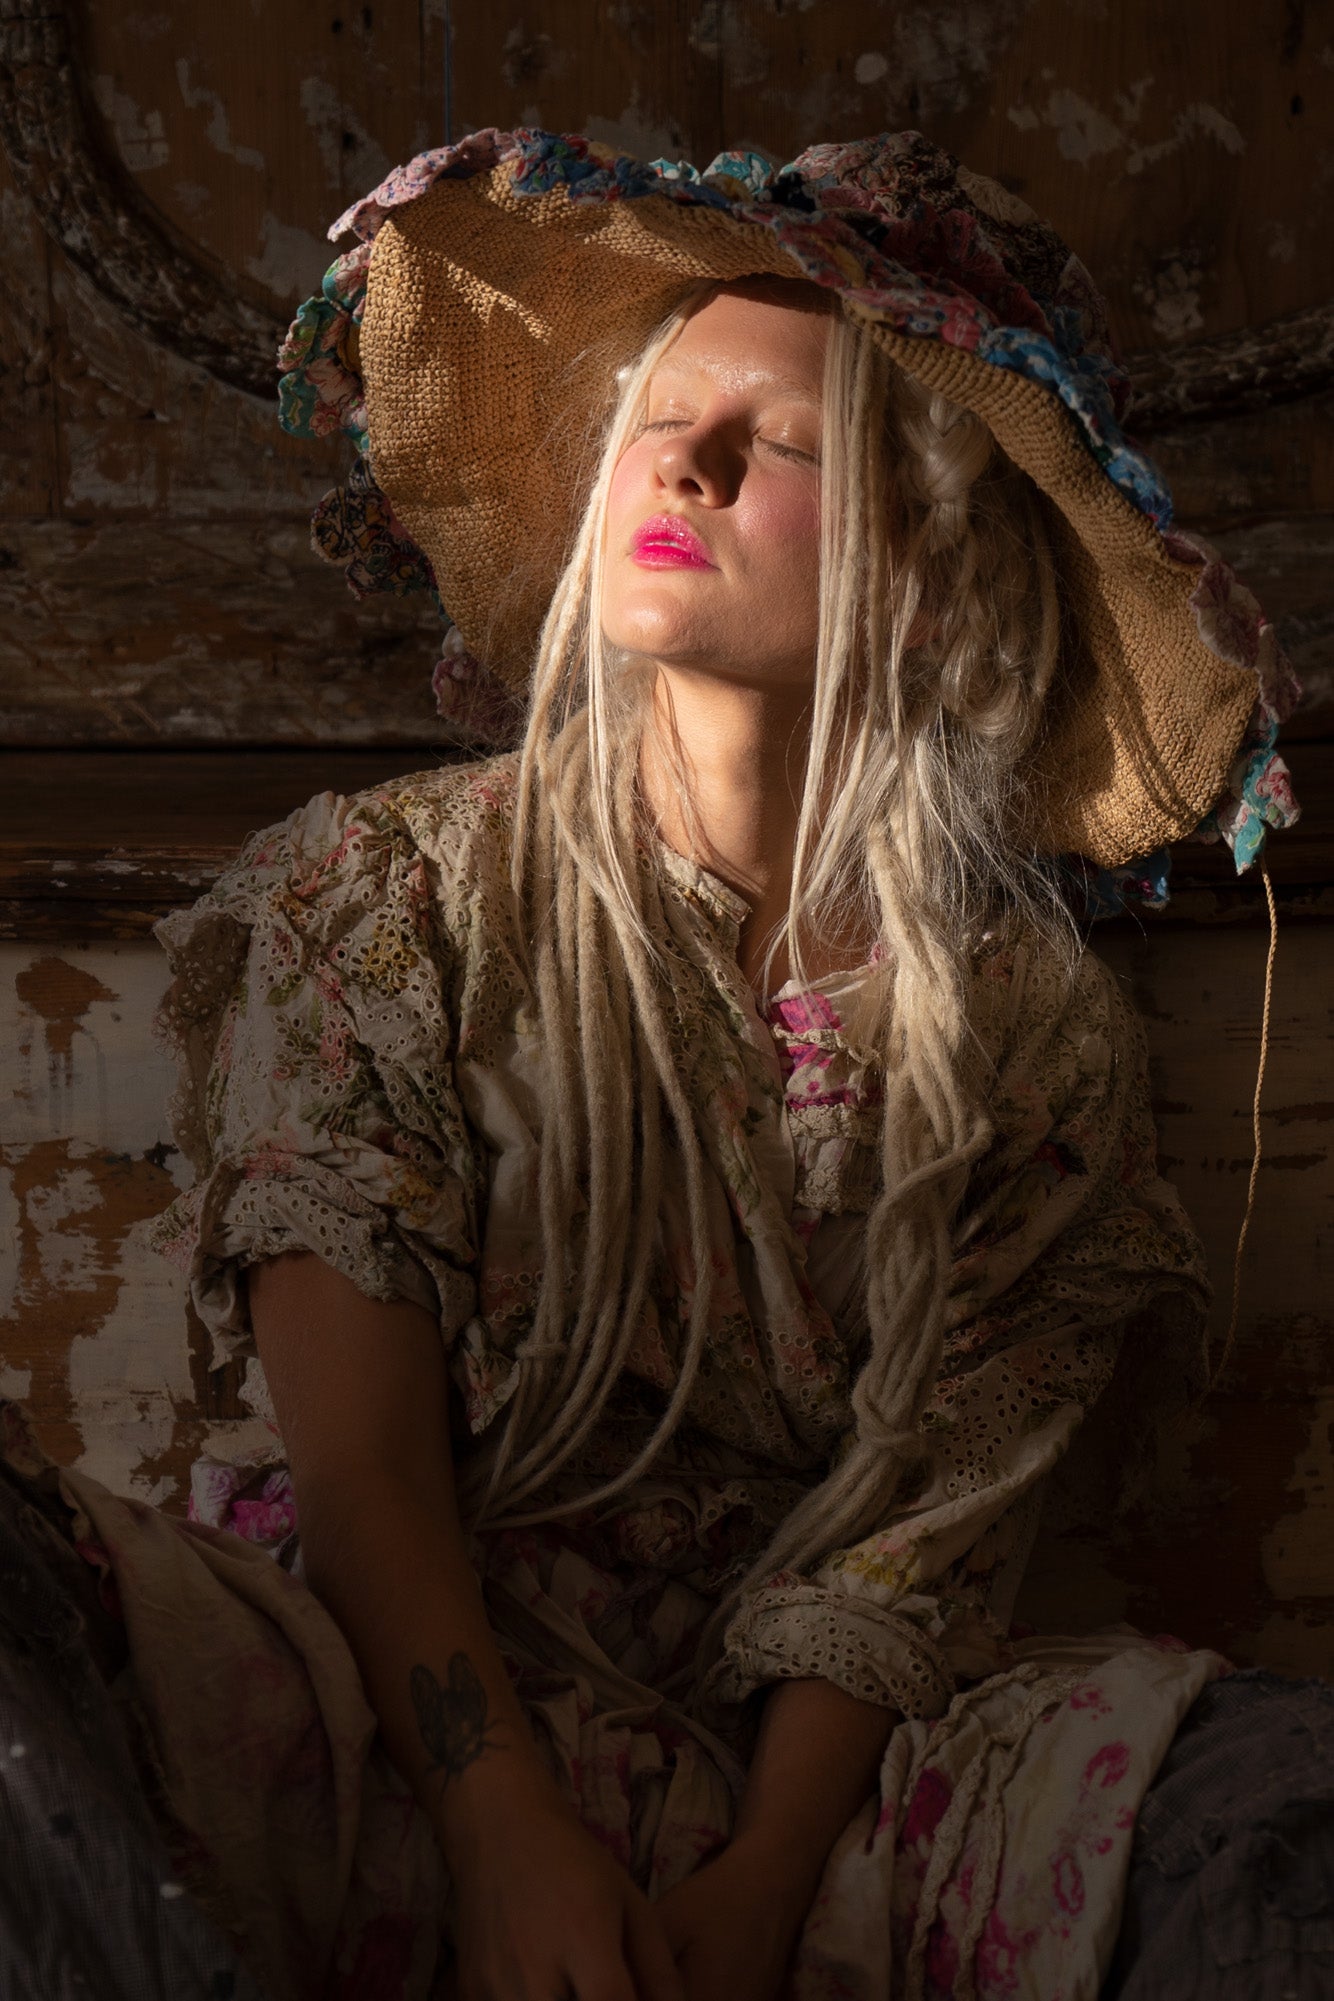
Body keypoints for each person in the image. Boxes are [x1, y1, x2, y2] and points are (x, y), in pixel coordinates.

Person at [2, 128, 1323, 2001]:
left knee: (1269, 1801)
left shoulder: (1023, 1028)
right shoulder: (383, 895)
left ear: (929, 577)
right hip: (389, 1717)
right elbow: (365, 1471)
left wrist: (764, 1879)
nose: (682, 463)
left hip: (833, 1786)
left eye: (777, 444)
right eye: (661, 414)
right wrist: (501, 1827)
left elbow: (917, 1533)